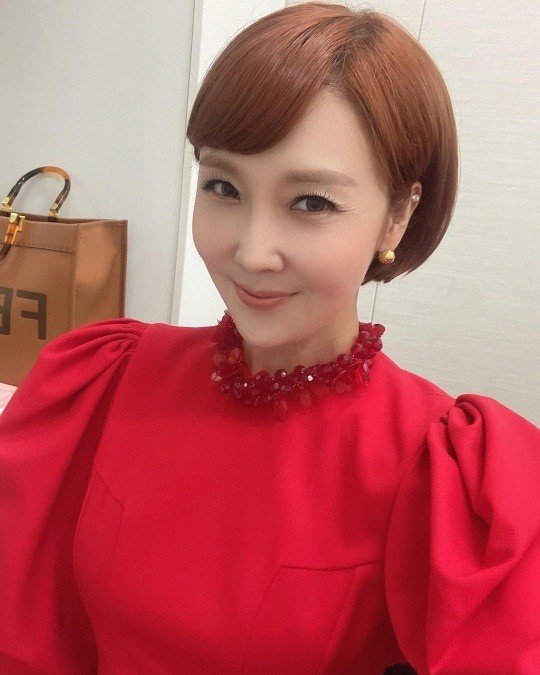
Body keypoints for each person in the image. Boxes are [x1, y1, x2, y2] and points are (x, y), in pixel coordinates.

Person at [1, 3, 538, 673]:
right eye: (223, 186)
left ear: (397, 217)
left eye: (311, 202)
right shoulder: (103, 382)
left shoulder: (440, 468)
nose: (253, 252)